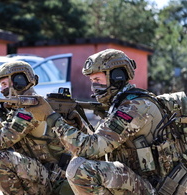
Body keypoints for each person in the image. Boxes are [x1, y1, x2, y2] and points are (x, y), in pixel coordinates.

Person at [44, 49, 187, 194]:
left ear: (117, 77)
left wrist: (51, 118)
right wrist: (78, 124)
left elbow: (91, 148)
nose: (94, 86)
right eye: (92, 81)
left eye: (98, 80)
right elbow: (100, 146)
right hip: (141, 182)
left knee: (80, 169)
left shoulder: (135, 107)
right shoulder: (119, 104)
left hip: (155, 189)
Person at [0, 61, 74, 195]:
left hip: (52, 179)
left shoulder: (31, 109)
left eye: (4, 84)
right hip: (42, 172)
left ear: (19, 81)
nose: (1, 90)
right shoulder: (26, 106)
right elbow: (7, 133)